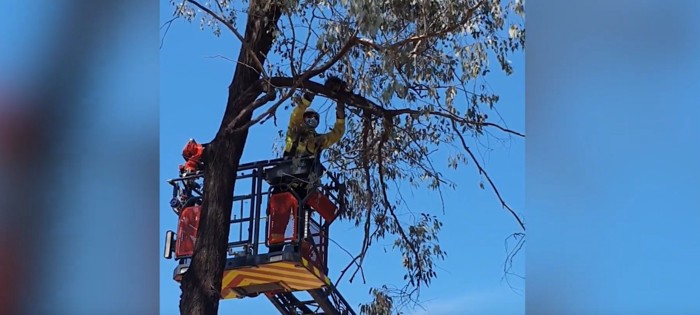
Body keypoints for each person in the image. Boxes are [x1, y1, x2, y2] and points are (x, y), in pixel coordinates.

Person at [268, 77, 348, 249]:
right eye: (309, 117)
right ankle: (275, 249)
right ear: (304, 119)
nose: (311, 120)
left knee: (302, 219)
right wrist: (313, 91)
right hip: (285, 184)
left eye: (315, 118)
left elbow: (337, 133)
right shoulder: (294, 132)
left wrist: (340, 106)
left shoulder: (318, 141)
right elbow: (296, 113)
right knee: (278, 222)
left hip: (304, 187)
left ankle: (300, 246)